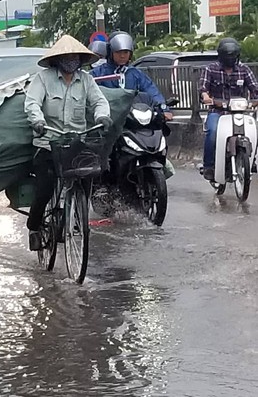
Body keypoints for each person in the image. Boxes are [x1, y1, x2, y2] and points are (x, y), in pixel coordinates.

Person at [24, 35, 111, 251]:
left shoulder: (87, 80)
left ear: (80, 59)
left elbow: (99, 101)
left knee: (89, 178)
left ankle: (75, 215)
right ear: (58, 59)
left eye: (74, 57)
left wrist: (102, 116)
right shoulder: (43, 79)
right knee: (45, 189)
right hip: (48, 142)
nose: (71, 60)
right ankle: (34, 227)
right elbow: (32, 102)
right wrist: (38, 121)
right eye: (66, 56)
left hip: (76, 143)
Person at [199, 37, 258, 181]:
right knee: (212, 132)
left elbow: (255, 89)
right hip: (217, 111)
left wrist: (254, 101)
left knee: (254, 131)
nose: (231, 59)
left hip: (240, 112)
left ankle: (252, 161)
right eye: (228, 56)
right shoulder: (210, 69)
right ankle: (209, 166)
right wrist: (206, 96)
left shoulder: (244, 70)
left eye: (233, 56)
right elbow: (203, 88)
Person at [90, 32, 173, 120]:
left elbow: (151, 90)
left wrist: (164, 108)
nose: (122, 56)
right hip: (108, 117)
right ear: (110, 52)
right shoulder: (97, 73)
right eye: (118, 52)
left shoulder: (135, 73)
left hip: (134, 117)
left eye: (126, 52)